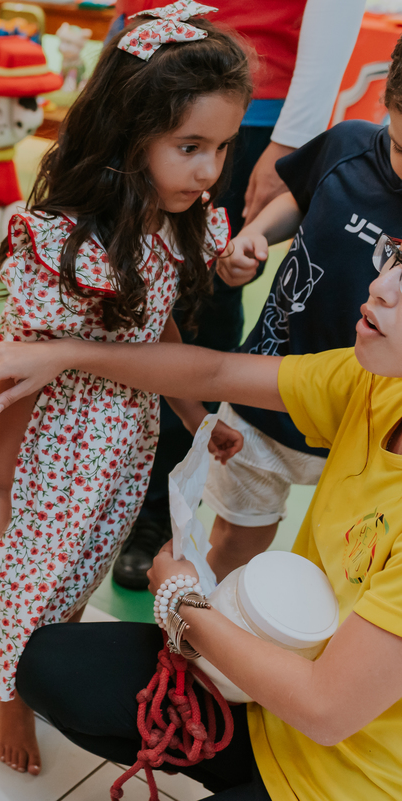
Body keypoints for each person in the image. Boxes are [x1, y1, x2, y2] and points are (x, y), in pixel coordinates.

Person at [0, 3, 246, 777]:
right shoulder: (73, 240)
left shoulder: (174, 218)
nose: (209, 170)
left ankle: (34, 657)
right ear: (131, 134)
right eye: (190, 147)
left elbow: (154, 333)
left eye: (221, 147)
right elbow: (22, 374)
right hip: (46, 447)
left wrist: (195, 413)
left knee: (71, 573)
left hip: (118, 446)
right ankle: (11, 691)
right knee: (25, 576)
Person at [0, 240, 402, 801]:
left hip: (352, 778)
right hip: (267, 705)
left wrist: (181, 604)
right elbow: (216, 371)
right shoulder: (380, 382)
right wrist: (67, 353)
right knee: (51, 666)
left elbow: (326, 710)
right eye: (397, 257)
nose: (382, 285)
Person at [111, 0, 366, 589]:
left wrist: (292, 138)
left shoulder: (223, 144)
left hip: (244, 91)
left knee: (196, 300)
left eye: (214, 159)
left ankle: (161, 515)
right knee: (129, 285)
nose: (208, 171)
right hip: (139, 62)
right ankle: (120, 494)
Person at [199, 32, 402, 580]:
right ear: (386, 102)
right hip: (267, 391)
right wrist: (254, 236)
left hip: (365, 421)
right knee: (236, 544)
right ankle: (195, 640)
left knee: (338, 565)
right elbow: (301, 194)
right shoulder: (349, 145)